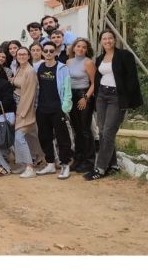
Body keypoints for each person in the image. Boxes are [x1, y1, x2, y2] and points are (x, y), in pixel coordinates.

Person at [86, 29, 144, 180]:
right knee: (102, 132)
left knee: (108, 133)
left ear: (114, 40)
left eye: (110, 38)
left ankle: (99, 168)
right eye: (104, 39)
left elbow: (132, 79)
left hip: (116, 97)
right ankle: (113, 165)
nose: (107, 41)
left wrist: (127, 99)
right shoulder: (99, 59)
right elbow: (98, 80)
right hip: (102, 97)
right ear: (101, 42)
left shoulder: (125, 55)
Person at [35, 41, 73, 179]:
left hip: (58, 108)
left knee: (62, 137)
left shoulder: (62, 68)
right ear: (42, 52)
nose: (49, 53)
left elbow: (67, 89)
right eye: (46, 51)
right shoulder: (38, 68)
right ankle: (50, 163)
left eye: (52, 51)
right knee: (44, 137)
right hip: (42, 108)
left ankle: (65, 164)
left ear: (56, 52)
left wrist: (65, 108)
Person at [67, 38, 97, 173]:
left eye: (84, 47)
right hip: (71, 96)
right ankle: (78, 159)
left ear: (86, 49)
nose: (80, 49)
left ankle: (89, 161)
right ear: (74, 48)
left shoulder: (88, 63)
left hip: (84, 95)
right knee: (76, 129)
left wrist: (85, 98)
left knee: (85, 129)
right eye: (78, 46)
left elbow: (94, 83)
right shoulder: (68, 62)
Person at [10, 47, 40, 178]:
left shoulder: (30, 71)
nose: (21, 56)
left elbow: (29, 94)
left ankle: (30, 166)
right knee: (28, 136)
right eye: (19, 54)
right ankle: (23, 164)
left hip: (25, 107)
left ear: (29, 56)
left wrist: (21, 113)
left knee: (19, 136)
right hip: (17, 104)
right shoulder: (19, 69)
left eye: (24, 54)